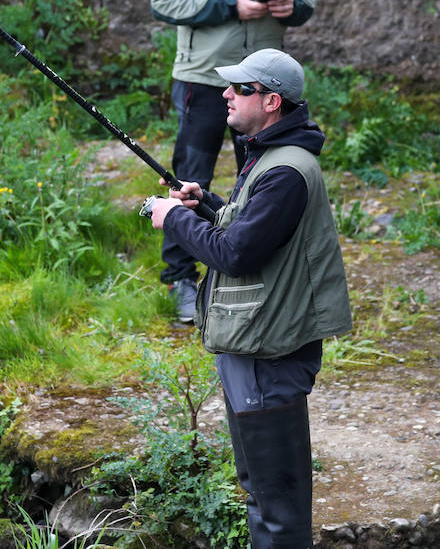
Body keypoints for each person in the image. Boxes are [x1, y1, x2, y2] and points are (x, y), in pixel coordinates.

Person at [144, 47, 350, 549]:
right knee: (259, 489)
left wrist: (173, 218)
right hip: (256, 348)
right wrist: (208, 203)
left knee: (277, 508)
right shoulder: (270, 158)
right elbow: (254, 230)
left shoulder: (285, 171)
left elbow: (235, 253)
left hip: (268, 355)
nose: (226, 95)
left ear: (272, 101)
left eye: (240, 88)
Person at [149, 0, 320, 321]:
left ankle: (256, 267)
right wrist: (227, 6)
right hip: (205, 76)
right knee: (190, 177)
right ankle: (181, 278)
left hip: (264, 84)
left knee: (264, 177)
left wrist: (294, 4)